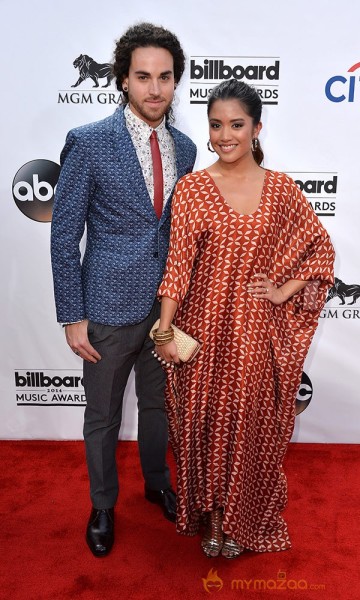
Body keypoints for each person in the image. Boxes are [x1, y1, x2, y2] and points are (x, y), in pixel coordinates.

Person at [154, 79, 334, 559]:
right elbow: (177, 265)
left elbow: (320, 252)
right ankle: (211, 518)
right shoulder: (191, 189)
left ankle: (240, 520)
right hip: (202, 326)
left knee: (246, 425)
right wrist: (165, 329)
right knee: (204, 424)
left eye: (236, 124)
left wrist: (281, 290)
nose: (224, 135)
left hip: (255, 331)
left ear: (256, 128)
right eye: (215, 125)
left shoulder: (281, 190)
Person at [51, 22, 197, 558]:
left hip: (166, 307)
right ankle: (103, 504)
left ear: (176, 81)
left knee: (159, 408)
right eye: (143, 77)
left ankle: (157, 482)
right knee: (104, 416)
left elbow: (178, 230)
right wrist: (73, 313)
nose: (155, 89)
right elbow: (64, 235)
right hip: (107, 308)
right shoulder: (88, 142)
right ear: (123, 79)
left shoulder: (185, 145)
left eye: (164, 77)